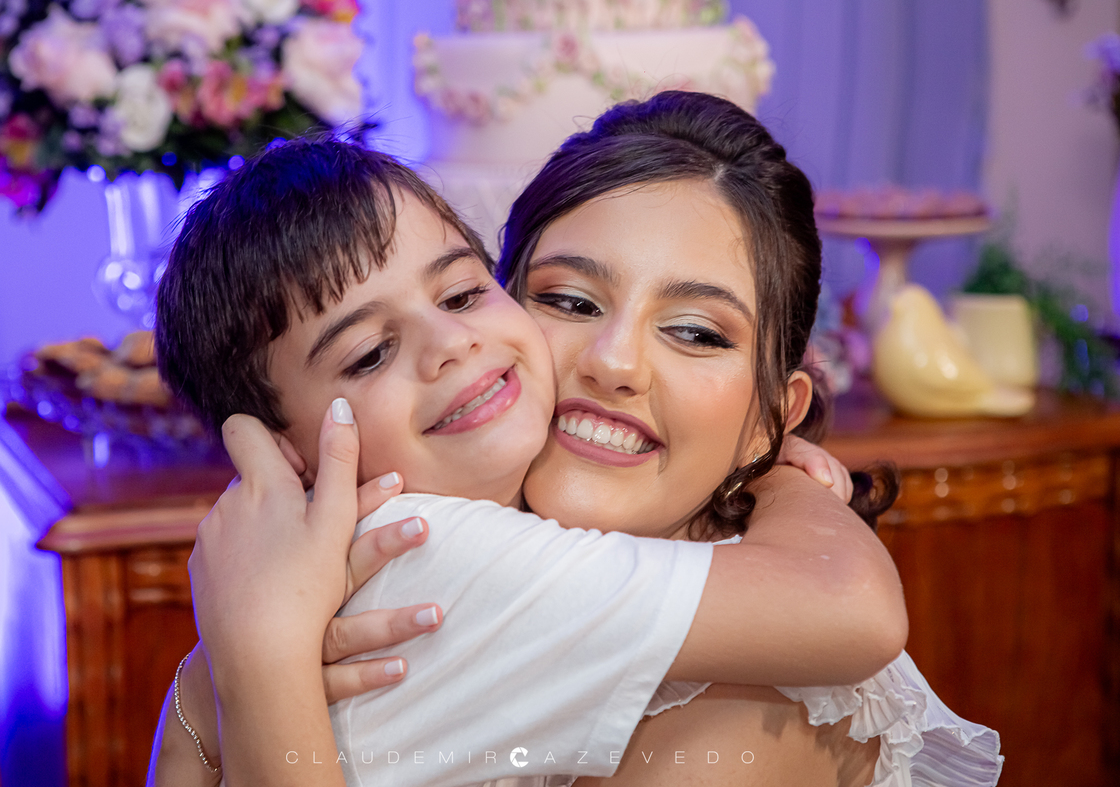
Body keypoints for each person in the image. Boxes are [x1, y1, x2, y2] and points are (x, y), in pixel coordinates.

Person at [155, 93, 1000, 785]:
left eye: (698, 332)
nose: (615, 362)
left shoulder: (746, 721)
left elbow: (851, 610)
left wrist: (235, 672)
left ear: (771, 412)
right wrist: (236, 669)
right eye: (568, 301)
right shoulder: (420, 547)